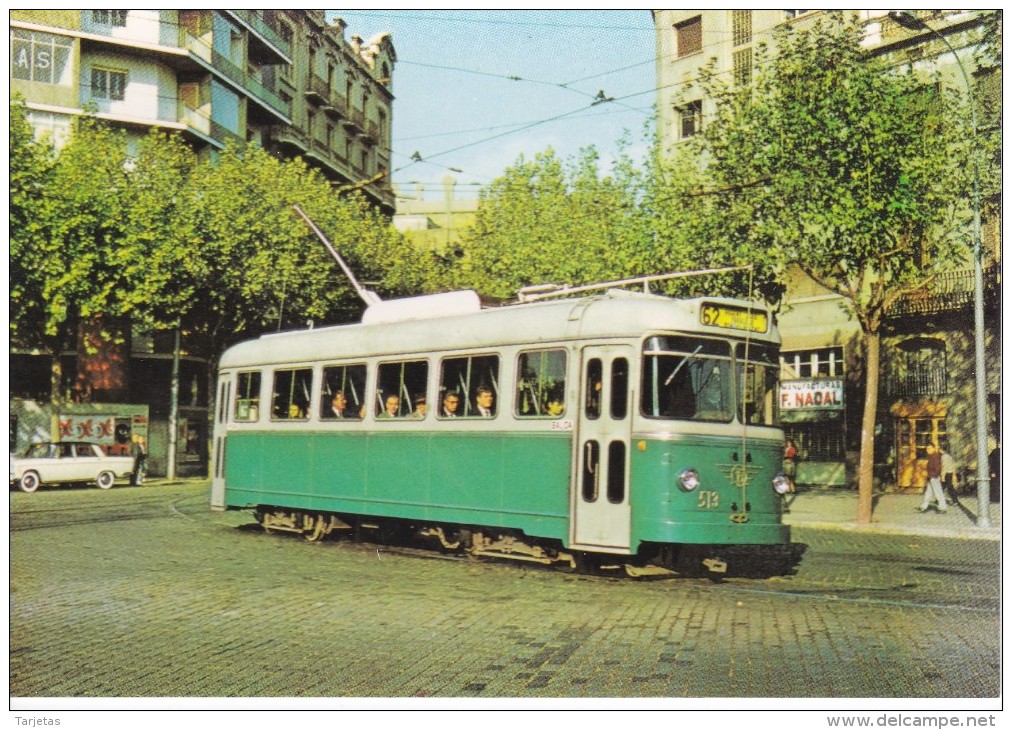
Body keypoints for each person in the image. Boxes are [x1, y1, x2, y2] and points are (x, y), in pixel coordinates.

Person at [918, 443, 947, 513]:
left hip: (934, 477)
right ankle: (924, 506)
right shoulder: (931, 456)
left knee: (938, 492)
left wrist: (934, 475)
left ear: (933, 448)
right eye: (927, 449)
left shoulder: (935, 456)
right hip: (931, 476)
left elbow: (938, 467)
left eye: (929, 448)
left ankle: (942, 507)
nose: (928, 450)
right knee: (928, 492)